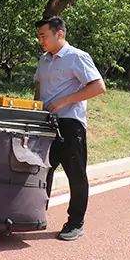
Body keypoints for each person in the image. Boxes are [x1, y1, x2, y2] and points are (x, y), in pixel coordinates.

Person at [33, 15, 106, 241]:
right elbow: (40, 88)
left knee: (75, 174)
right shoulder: (44, 59)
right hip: (44, 122)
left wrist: (65, 101)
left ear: (59, 34)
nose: (40, 41)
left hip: (69, 123)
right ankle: (35, 215)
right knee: (41, 170)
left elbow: (98, 87)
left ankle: (75, 223)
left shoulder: (77, 57)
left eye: (44, 36)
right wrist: (34, 111)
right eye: (39, 37)